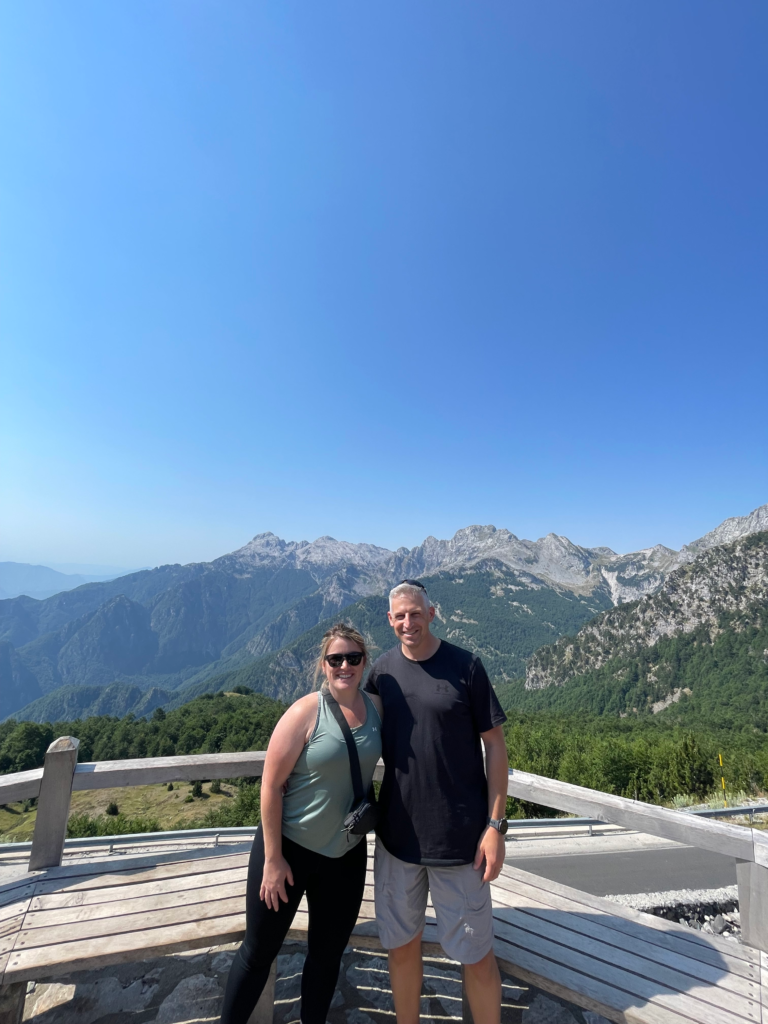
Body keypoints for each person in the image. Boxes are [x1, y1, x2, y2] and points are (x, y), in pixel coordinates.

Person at [221, 623, 382, 1024]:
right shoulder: (306, 711)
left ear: (365, 662)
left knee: (326, 957)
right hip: (288, 850)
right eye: (335, 659)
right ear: (323, 665)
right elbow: (271, 785)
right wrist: (273, 860)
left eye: (353, 658)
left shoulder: (378, 707)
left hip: (345, 853)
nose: (344, 665)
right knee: (258, 952)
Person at [365, 580, 508, 1024]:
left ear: (432, 612)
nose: (408, 622)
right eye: (399, 616)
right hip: (397, 839)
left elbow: (496, 747)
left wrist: (495, 827)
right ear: (390, 621)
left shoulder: (466, 667)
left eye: (415, 612)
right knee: (401, 948)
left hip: (461, 841)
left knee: (476, 957)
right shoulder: (380, 674)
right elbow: (357, 736)